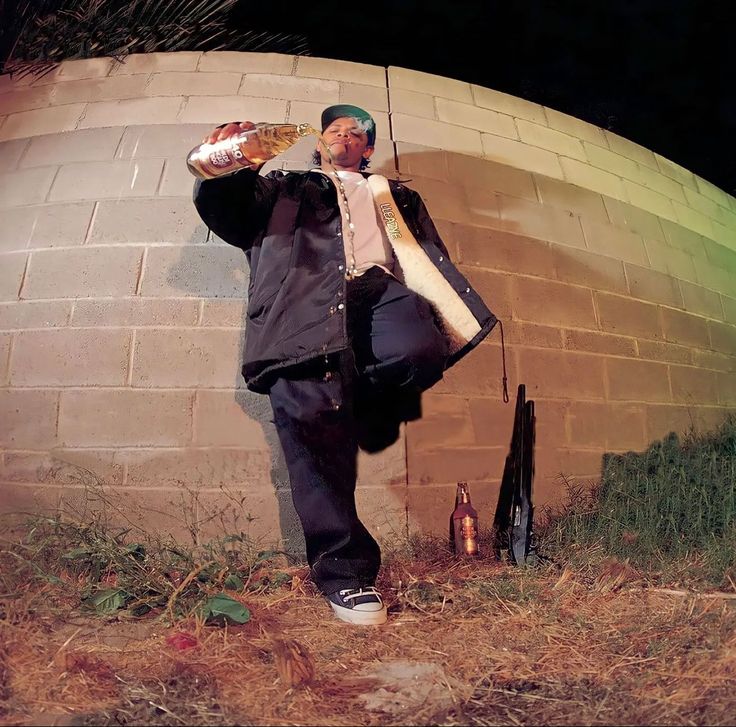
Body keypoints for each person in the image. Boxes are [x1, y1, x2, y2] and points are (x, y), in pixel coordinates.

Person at [193, 104, 497, 626]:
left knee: (418, 349)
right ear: (319, 142)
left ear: (367, 149)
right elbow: (231, 212)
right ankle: (346, 575)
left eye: (355, 131)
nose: (343, 134)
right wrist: (228, 166)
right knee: (310, 424)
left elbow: (428, 256)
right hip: (306, 303)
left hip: (381, 288)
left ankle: (355, 400)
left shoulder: (396, 193)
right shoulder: (288, 188)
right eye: (334, 128)